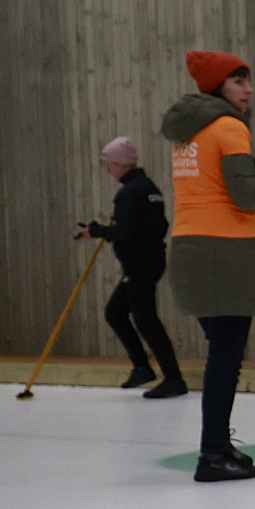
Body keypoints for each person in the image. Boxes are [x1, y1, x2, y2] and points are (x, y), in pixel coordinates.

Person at [160, 50, 255, 482]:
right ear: (218, 86)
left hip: (189, 246)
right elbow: (245, 193)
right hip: (224, 249)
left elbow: (212, 190)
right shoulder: (229, 126)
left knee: (222, 350)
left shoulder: (188, 131)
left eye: (247, 80)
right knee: (225, 357)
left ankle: (218, 444)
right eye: (238, 81)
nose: (248, 89)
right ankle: (213, 454)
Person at [78, 136, 186, 397]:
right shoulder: (149, 188)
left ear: (120, 163)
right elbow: (158, 226)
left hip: (140, 264)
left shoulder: (130, 192)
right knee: (115, 313)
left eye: (109, 163)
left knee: (146, 320)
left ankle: (173, 378)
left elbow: (125, 232)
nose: (107, 169)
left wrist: (96, 231)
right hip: (149, 260)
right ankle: (142, 367)